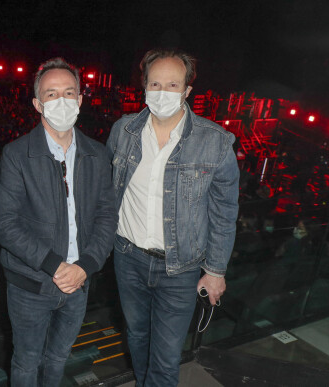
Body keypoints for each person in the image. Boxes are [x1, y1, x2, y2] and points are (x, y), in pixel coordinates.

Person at [106, 48, 239, 386]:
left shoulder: (215, 143)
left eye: (172, 85)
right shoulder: (123, 131)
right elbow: (106, 191)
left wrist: (216, 271)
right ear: (144, 86)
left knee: (165, 359)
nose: (162, 93)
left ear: (187, 91)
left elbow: (224, 213)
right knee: (136, 337)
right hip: (127, 258)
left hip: (180, 268)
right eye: (155, 83)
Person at [0, 58, 118, 387]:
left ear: (80, 99)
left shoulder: (97, 154)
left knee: (59, 358)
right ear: (37, 104)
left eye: (68, 92)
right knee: (26, 362)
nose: (60, 101)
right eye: (51, 94)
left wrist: (85, 265)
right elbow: (5, 223)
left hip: (79, 282)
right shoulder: (18, 154)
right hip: (30, 285)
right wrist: (54, 265)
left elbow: (107, 215)